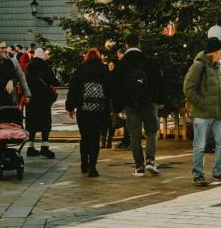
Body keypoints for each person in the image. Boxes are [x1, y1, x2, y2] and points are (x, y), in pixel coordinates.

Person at [114, 33, 164, 178]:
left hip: (130, 104)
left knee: (135, 136)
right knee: (151, 132)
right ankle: (150, 160)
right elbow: (158, 81)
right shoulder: (149, 61)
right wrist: (160, 100)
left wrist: (118, 107)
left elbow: (115, 87)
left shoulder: (122, 63)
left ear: (126, 45)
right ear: (139, 44)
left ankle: (139, 167)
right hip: (149, 103)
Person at [183, 36, 221, 185]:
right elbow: (188, 89)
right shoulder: (199, 65)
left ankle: (219, 172)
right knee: (200, 145)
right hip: (203, 114)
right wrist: (203, 104)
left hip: (219, 113)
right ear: (214, 52)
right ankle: (198, 175)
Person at [66, 48, 111, 177]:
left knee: (85, 136)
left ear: (86, 57)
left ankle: (84, 164)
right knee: (95, 138)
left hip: (83, 109)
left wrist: (70, 107)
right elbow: (109, 90)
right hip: (99, 110)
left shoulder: (80, 70)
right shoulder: (104, 70)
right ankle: (93, 167)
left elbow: (73, 89)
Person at [25, 51, 60, 159]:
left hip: (31, 99)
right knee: (45, 122)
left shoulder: (28, 67)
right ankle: (44, 147)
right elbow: (55, 82)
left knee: (32, 122)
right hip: (43, 100)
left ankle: (30, 147)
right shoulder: (45, 67)